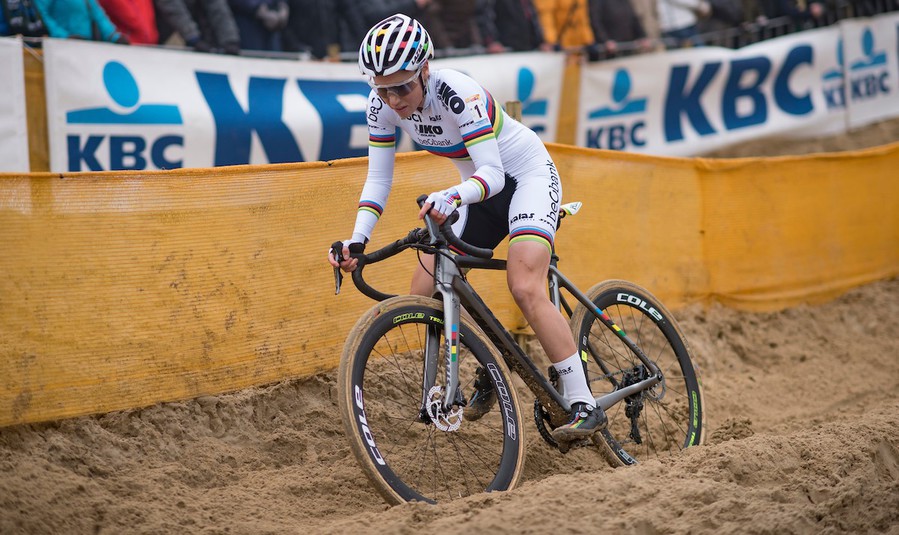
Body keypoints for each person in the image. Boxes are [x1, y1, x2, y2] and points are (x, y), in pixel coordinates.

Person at [328, 13, 607, 444]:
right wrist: (356, 239)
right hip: (474, 192)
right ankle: (488, 364)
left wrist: (453, 196)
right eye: (383, 90)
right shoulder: (381, 108)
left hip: (522, 179)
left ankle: (583, 401)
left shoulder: (457, 92)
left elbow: (494, 173)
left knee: (524, 284)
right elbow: (379, 180)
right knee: (422, 291)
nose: (394, 100)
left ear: (424, 69)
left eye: (402, 86)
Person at [154, 0, 241, 54]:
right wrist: (192, 38)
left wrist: (230, 40)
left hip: (200, 33)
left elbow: (218, 8)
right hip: (166, 36)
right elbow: (172, 7)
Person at [477, 0, 553, 53]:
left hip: (527, 48)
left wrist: (541, 42)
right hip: (505, 51)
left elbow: (532, 17)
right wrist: (491, 42)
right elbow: (484, 16)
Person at [33, 0, 128, 42]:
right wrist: (63, 37)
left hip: (85, 49)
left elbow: (98, 14)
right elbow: (40, 13)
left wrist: (114, 37)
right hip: (60, 49)